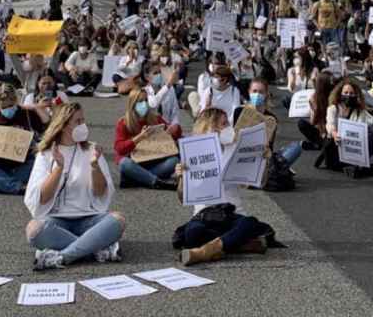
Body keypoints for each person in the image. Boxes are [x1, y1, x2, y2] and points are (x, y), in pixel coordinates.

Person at [25, 102, 124, 270]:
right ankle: (95, 247)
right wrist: (59, 169)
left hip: (90, 218)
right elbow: (41, 197)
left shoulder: (92, 150)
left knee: (118, 220)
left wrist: (94, 166)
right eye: (78, 121)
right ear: (63, 126)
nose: (83, 125)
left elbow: (101, 192)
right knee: (33, 230)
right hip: (57, 220)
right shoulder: (46, 154)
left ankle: (62, 257)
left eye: (83, 120)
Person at [174, 108, 274, 266]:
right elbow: (182, 197)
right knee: (192, 233)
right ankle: (235, 244)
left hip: (232, 213)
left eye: (227, 123)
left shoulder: (235, 149)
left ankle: (204, 252)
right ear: (210, 127)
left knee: (249, 223)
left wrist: (264, 161)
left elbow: (260, 183)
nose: (228, 127)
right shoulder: (195, 152)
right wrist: (181, 177)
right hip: (204, 215)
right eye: (223, 124)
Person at [114, 88, 182, 189]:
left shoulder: (155, 118)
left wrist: (175, 129)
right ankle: (155, 182)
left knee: (174, 160)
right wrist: (139, 137)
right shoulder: (123, 123)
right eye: (140, 101)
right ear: (133, 103)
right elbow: (119, 149)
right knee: (124, 164)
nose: (144, 104)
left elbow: (176, 134)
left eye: (146, 100)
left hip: (154, 161)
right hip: (134, 162)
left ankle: (138, 178)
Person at [324, 79, 373, 178]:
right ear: (340, 93)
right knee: (372, 168)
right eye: (345, 93)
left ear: (356, 95)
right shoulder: (333, 108)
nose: (348, 95)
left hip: (352, 150)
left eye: (351, 93)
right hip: (336, 148)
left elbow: (371, 123)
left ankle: (356, 166)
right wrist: (334, 133)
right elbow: (330, 124)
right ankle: (358, 168)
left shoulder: (360, 111)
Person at [297, 71, 336, 150]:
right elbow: (314, 122)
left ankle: (318, 144)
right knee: (302, 123)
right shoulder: (315, 98)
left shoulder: (334, 97)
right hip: (327, 132)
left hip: (332, 132)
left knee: (301, 123)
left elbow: (313, 122)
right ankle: (319, 143)